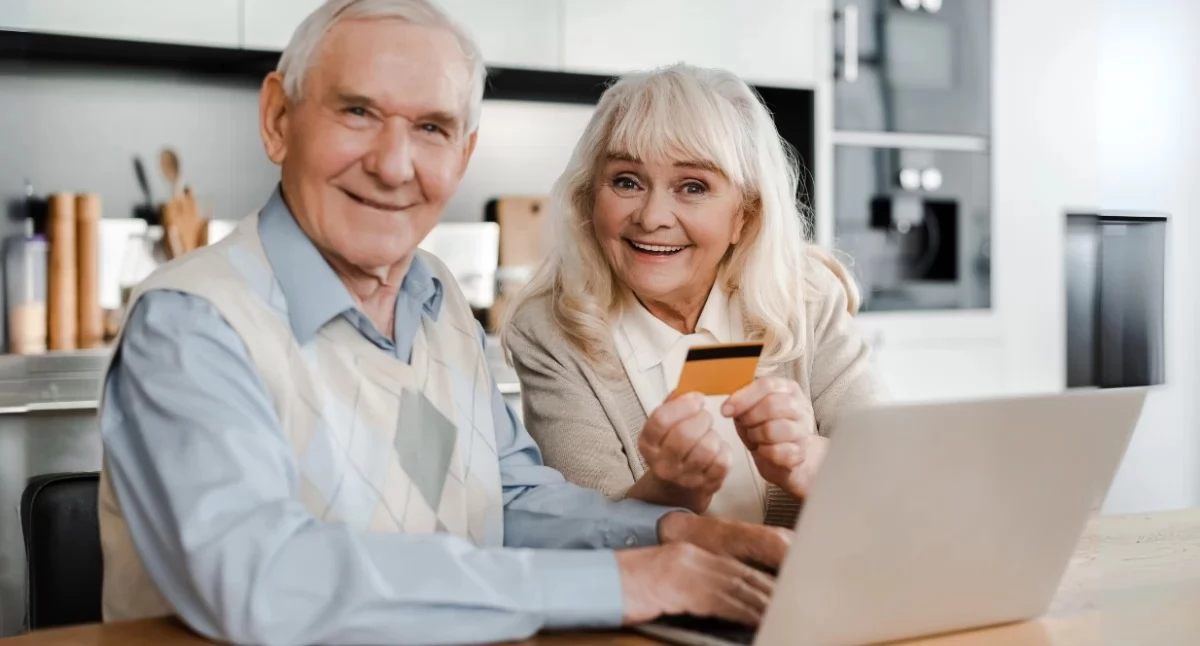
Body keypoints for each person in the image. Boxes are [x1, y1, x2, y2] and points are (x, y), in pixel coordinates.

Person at [96, 2, 791, 645]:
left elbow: (509, 500)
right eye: (358, 113)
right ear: (278, 119)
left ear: (463, 152)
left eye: (431, 128)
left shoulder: (436, 298)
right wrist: (625, 579)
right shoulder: (192, 323)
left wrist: (670, 533)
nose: (395, 165)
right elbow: (263, 577)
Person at [502, 64, 887, 527]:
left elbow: (893, 476)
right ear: (588, 198)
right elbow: (587, 535)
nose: (652, 216)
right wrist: (668, 490)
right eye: (627, 181)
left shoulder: (804, 295)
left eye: (693, 187)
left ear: (744, 215)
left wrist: (809, 461)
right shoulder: (551, 329)